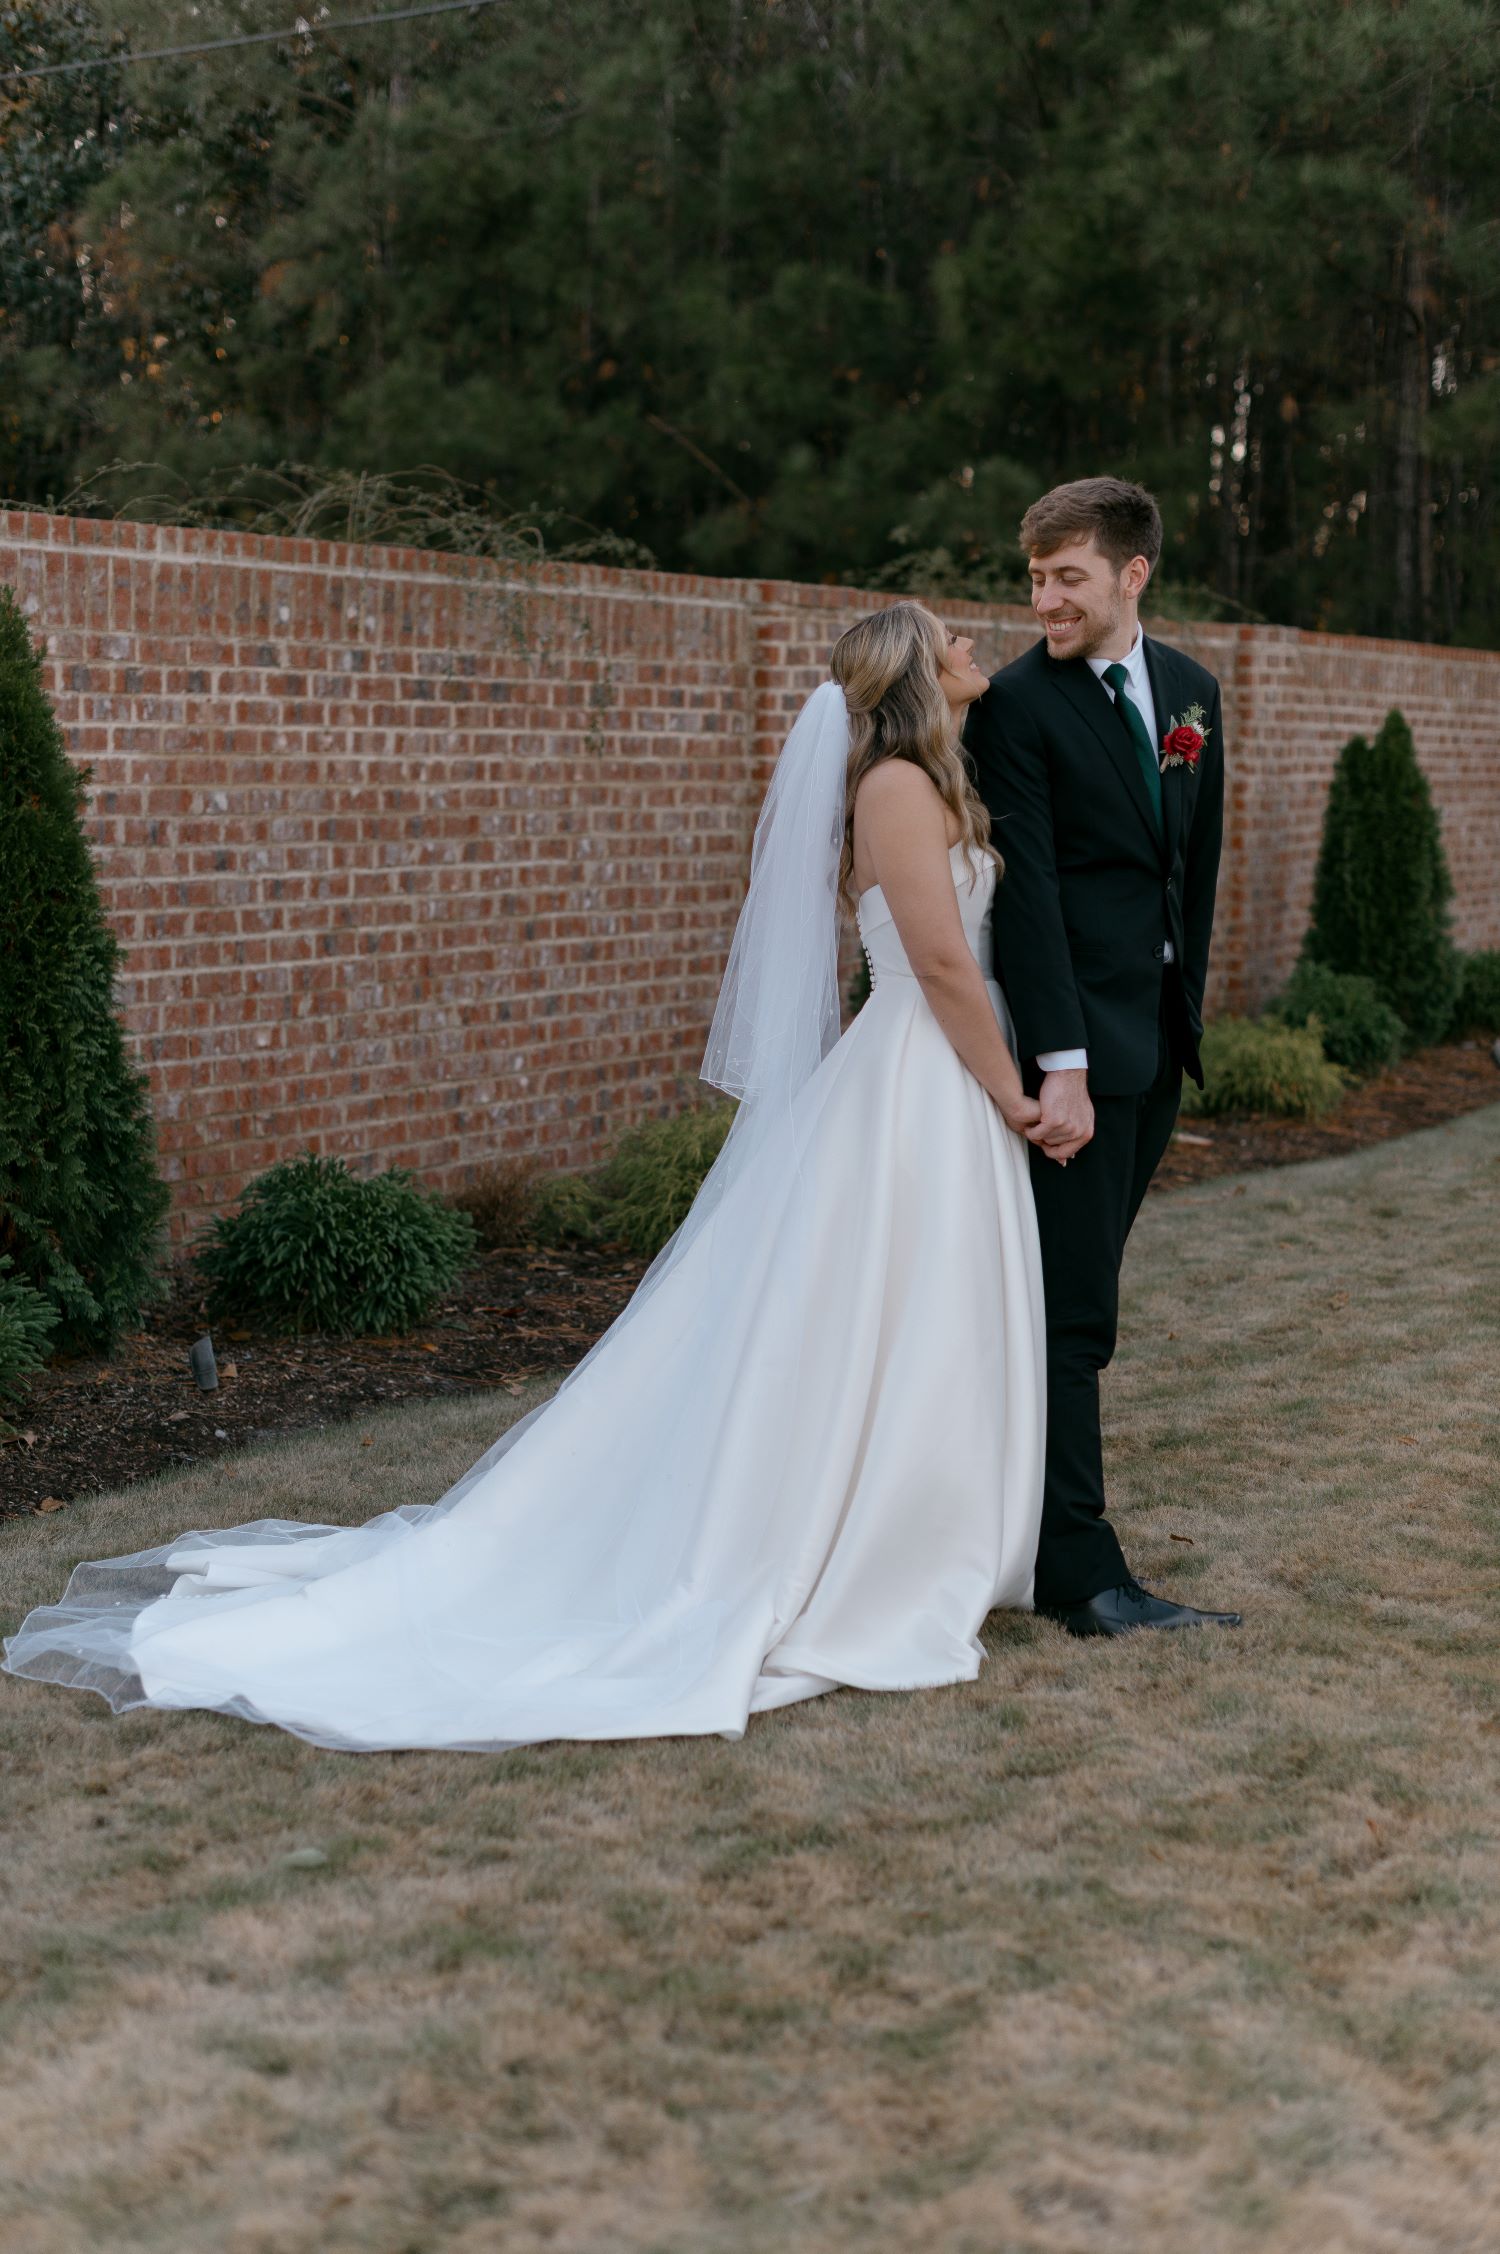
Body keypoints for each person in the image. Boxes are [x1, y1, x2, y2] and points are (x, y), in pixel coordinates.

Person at [4, 604, 1051, 1753]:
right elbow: (942, 960)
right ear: (913, 673)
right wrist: (1010, 1088)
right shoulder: (895, 786)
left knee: (915, 1316)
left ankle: (929, 1527)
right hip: (923, 1068)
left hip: (937, 1069)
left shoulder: (935, 776)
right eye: (950, 639)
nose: (971, 649)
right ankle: (872, 1545)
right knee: (886, 1314)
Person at [965, 476, 1243, 1639]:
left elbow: (1197, 866)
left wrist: (1183, 1019)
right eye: (1035, 577)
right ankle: (1082, 1572)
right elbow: (1030, 899)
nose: (1045, 600)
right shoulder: (1018, 707)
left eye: (1067, 576)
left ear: (1134, 575)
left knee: (1074, 1302)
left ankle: (1023, 1522)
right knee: (1073, 1315)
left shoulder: (1190, 693)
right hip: (1076, 1059)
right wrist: (1060, 1062)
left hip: (1157, 1048)